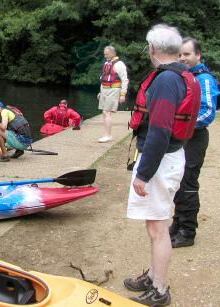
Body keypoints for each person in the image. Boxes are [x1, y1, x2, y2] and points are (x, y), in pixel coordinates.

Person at [124, 24, 201, 306]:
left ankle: (160, 288)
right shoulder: (180, 75)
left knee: (158, 229)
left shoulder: (166, 81)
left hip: (161, 160)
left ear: (152, 49)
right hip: (169, 157)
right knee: (155, 225)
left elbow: (159, 131)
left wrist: (142, 174)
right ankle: (154, 275)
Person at [170, 37, 219, 248]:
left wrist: (180, 127)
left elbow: (207, 112)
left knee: (188, 182)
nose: (183, 58)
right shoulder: (183, 76)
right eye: (180, 54)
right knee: (177, 180)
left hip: (195, 138)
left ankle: (188, 231)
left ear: (198, 55)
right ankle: (178, 222)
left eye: (187, 54)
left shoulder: (204, 79)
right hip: (181, 137)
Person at [97, 45, 129, 142]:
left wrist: (123, 94)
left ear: (112, 53)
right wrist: (100, 92)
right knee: (104, 112)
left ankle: (108, 135)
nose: (105, 56)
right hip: (104, 89)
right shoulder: (106, 63)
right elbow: (103, 79)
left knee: (107, 112)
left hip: (113, 90)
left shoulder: (119, 64)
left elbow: (125, 80)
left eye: (106, 54)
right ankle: (107, 133)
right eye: (104, 54)